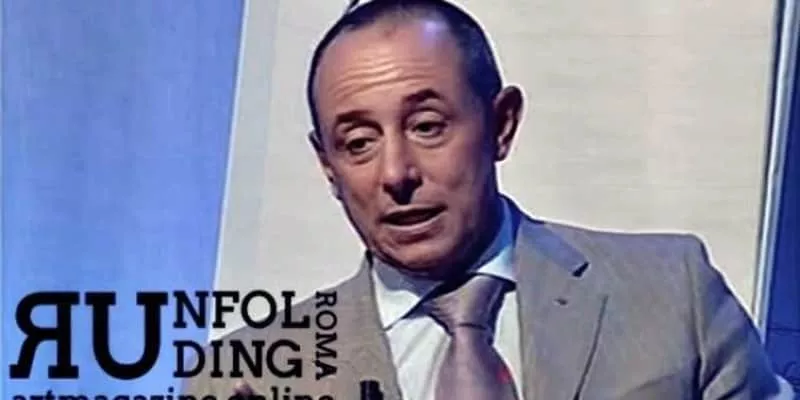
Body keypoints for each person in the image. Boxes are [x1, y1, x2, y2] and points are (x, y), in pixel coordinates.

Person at [182, 0, 793, 398]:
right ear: (328, 167)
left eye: (427, 126)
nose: (396, 173)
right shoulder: (249, 376)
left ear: (501, 124)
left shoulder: (671, 294)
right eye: (359, 143)